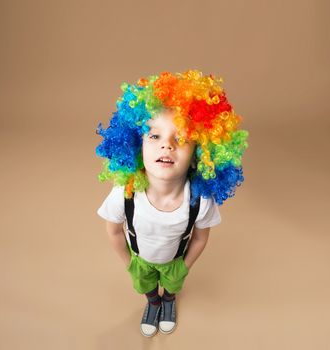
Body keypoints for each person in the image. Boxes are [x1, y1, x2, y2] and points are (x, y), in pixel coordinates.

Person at [95, 70, 249, 337]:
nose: (166, 146)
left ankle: (168, 301)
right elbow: (113, 230)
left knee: (172, 285)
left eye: (180, 139)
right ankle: (153, 302)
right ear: (135, 146)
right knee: (146, 287)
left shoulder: (199, 201)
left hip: (176, 261)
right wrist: (129, 263)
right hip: (139, 261)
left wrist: (184, 266)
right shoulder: (125, 193)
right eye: (154, 136)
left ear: (198, 155)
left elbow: (200, 238)